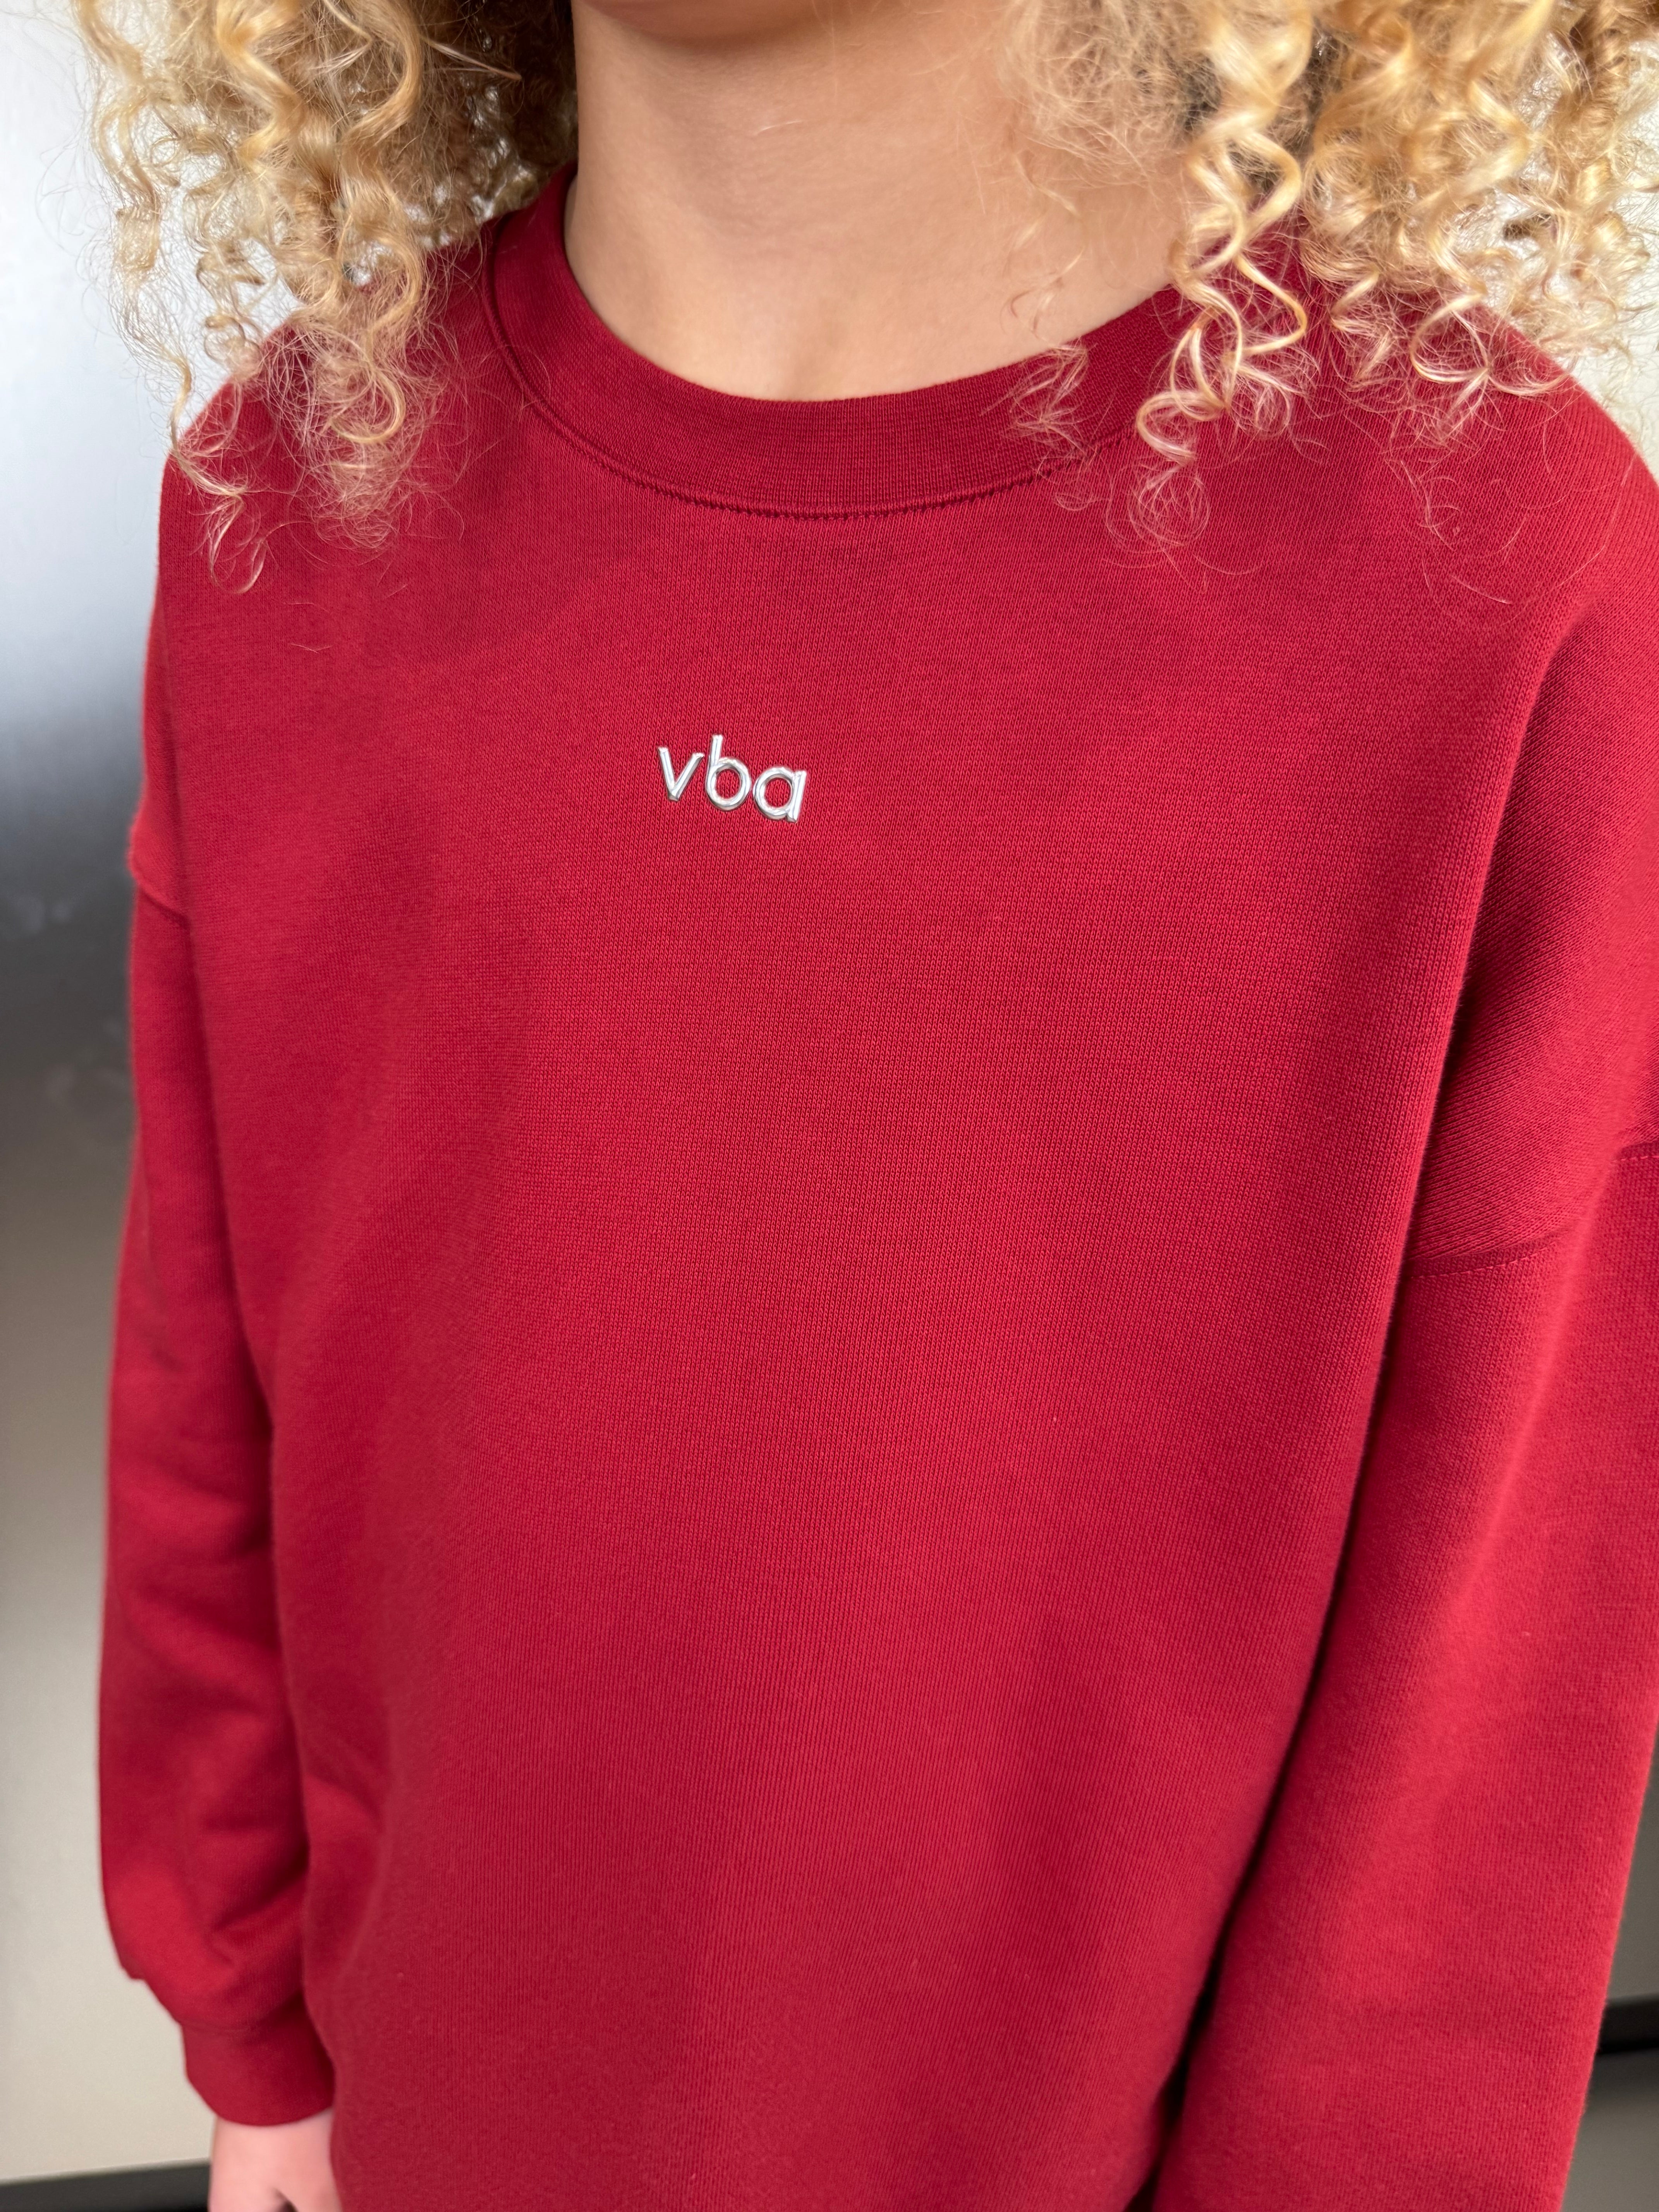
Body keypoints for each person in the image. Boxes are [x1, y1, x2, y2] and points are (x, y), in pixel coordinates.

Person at [79, 0, 1659, 2206]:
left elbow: (1489, 1705)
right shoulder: (297, 492)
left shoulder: (1493, 569)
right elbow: (207, 1373)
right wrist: (256, 2045)